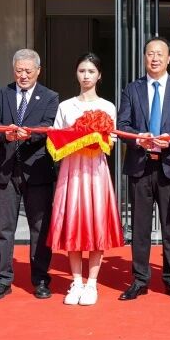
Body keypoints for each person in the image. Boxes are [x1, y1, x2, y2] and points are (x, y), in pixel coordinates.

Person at [115, 37, 170, 301]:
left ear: (168, 58)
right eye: (150, 53)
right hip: (140, 165)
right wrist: (137, 138)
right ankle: (139, 280)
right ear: (144, 57)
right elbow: (122, 124)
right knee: (139, 227)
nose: (155, 58)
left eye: (160, 54)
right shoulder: (132, 89)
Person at [48, 53, 122, 306]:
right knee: (73, 221)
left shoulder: (107, 107)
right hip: (71, 170)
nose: (86, 76)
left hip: (95, 170)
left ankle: (92, 283)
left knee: (95, 222)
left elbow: (111, 142)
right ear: (76, 74)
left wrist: (92, 137)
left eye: (91, 71)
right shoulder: (65, 106)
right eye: (82, 71)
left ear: (99, 75)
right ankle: (76, 281)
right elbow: (56, 138)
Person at [0, 48, 59, 300]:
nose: (23, 75)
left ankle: (41, 279)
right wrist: (4, 134)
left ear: (38, 71)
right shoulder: (1, 94)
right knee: (4, 229)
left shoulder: (50, 96)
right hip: (5, 169)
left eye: (28, 71)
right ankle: (2, 280)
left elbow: (49, 125)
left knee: (39, 228)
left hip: (37, 169)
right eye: (19, 71)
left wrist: (30, 134)